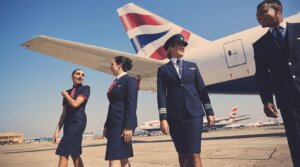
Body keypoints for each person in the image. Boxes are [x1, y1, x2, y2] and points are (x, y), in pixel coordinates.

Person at [157, 34, 215, 167]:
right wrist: (163, 118)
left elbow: (202, 90)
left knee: (194, 154)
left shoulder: (192, 66)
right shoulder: (163, 70)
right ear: (170, 48)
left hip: (194, 115)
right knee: (182, 154)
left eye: (184, 45)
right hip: (175, 117)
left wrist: (209, 111)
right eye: (179, 45)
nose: (183, 47)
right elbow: (161, 95)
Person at [253, 0, 300, 166]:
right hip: (288, 101)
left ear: (278, 9)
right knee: (297, 144)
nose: (259, 17)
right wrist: (266, 100)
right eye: (257, 14)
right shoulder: (259, 45)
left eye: (263, 12)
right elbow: (262, 76)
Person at [102, 56, 138, 167]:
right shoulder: (116, 81)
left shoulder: (129, 80)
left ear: (119, 65)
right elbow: (112, 105)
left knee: (114, 156)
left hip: (122, 123)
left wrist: (128, 127)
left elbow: (132, 105)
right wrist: (106, 125)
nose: (110, 67)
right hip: (114, 123)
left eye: (112, 64)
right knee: (123, 157)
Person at [53, 69, 90, 167]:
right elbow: (64, 114)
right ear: (72, 76)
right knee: (74, 154)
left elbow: (75, 104)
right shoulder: (68, 91)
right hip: (68, 124)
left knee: (63, 152)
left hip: (78, 122)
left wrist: (65, 95)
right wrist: (57, 131)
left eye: (83, 75)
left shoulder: (85, 88)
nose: (80, 76)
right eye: (78, 74)